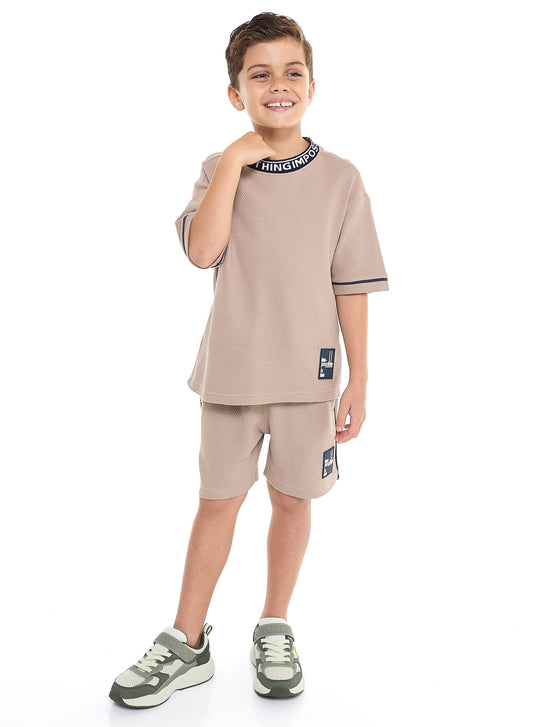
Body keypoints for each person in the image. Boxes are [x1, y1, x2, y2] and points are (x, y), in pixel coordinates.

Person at [109, 11, 389, 708]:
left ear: (312, 85)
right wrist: (235, 160)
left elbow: (350, 286)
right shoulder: (218, 168)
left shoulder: (341, 179)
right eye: (259, 75)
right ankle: (186, 641)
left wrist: (359, 378)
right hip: (231, 376)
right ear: (236, 93)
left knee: (293, 500)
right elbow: (201, 251)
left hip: (308, 381)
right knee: (217, 503)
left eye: (292, 72)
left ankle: (273, 625)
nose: (278, 85)